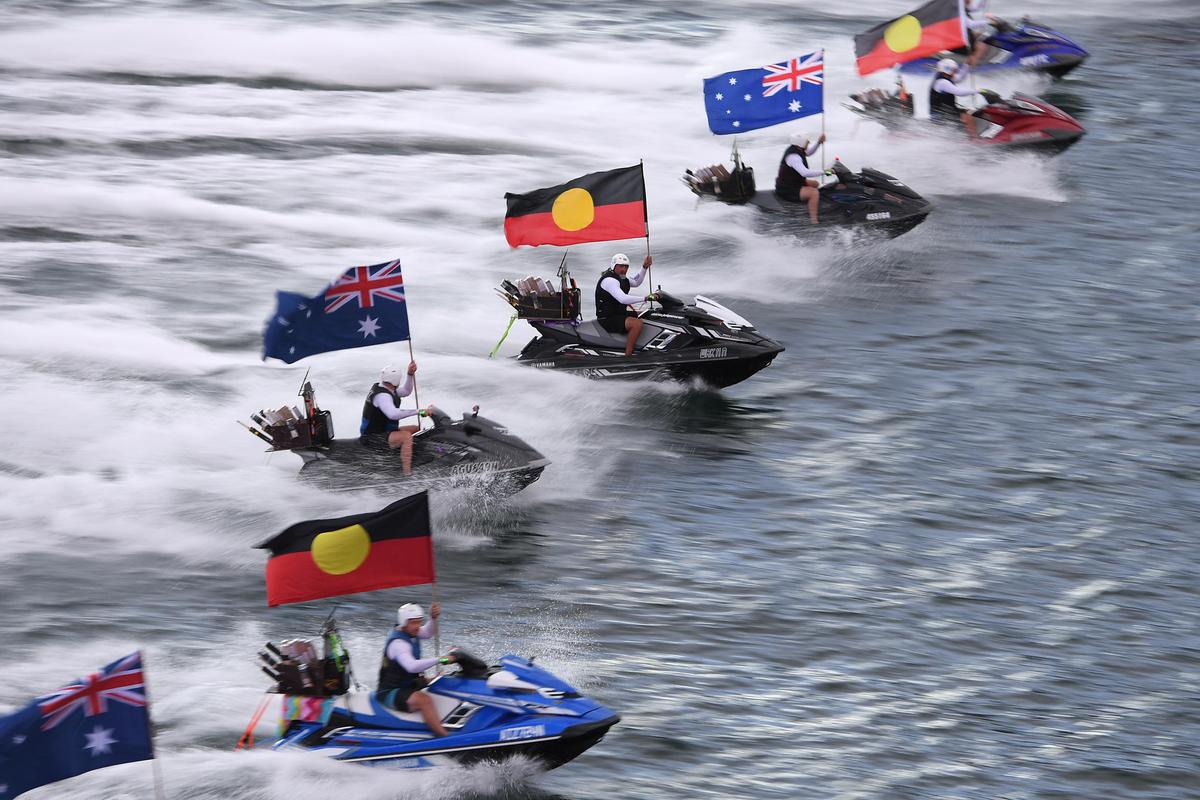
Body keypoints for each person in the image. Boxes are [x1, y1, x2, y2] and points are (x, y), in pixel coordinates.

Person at [376, 602, 459, 736]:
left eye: (419, 622)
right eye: (414, 623)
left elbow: (428, 633)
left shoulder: (410, 631)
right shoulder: (399, 644)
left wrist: (433, 618)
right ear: (404, 622)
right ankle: (444, 736)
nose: (418, 626)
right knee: (424, 700)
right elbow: (412, 666)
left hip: (408, 684)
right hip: (390, 692)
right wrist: (441, 659)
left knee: (444, 680)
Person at [359, 361, 430, 476]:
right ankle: (407, 473)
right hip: (373, 438)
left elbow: (406, 391)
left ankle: (416, 456)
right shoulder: (382, 396)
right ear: (395, 380)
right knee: (406, 437)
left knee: (416, 428)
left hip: (384, 431)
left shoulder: (388, 388)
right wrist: (419, 411)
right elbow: (393, 414)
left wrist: (410, 374)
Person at [595, 252, 655, 357]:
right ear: (614, 266)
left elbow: (636, 282)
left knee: (645, 315)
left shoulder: (621, 277)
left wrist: (644, 267)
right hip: (607, 318)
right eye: (621, 266)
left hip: (618, 313)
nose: (624, 269)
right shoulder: (609, 281)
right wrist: (644, 298)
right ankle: (628, 355)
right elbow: (623, 299)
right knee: (637, 324)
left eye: (626, 267)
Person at [774, 132, 828, 225]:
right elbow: (805, 172)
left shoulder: (797, 149)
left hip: (794, 183)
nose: (809, 142)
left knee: (815, 184)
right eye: (807, 141)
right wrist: (825, 171)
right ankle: (814, 221)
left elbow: (809, 153)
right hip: (787, 189)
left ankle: (809, 205)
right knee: (814, 193)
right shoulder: (793, 157)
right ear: (801, 143)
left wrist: (819, 142)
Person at [929, 58, 983, 139]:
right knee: (967, 115)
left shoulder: (946, 76)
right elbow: (959, 92)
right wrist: (979, 91)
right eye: (954, 70)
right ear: (948, 70)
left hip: (946, 110)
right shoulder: (942, 82)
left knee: (968, 111)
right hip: (940, 114)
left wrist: (966, 65)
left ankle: (970, 135)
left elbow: (960, 77)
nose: (956, 72)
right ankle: (974, 139)